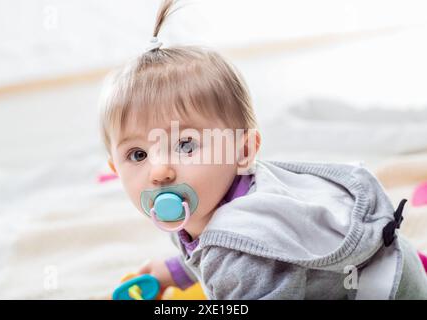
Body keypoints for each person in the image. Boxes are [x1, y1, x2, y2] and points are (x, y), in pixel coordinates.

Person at [99, 0, 427, 299]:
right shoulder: (212, 201)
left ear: (244, 151)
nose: (159, 171)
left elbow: (229, 253)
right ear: (115, 168)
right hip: (392, 262)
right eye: (138, 154)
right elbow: (207, 246)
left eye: (185, 144)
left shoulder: (244, 251)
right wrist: (174, 271)